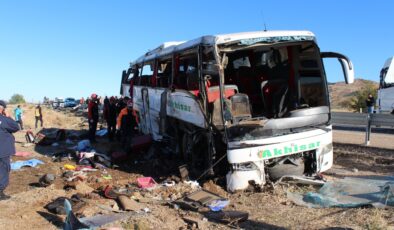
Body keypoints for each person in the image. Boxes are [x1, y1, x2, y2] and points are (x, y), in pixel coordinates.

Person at [0, 100, 20, 200]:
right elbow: (16, 127)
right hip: (3, 151)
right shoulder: (4, 120)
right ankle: (0, 192)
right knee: (4, 169)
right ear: (2, 109)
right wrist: (8, 116)